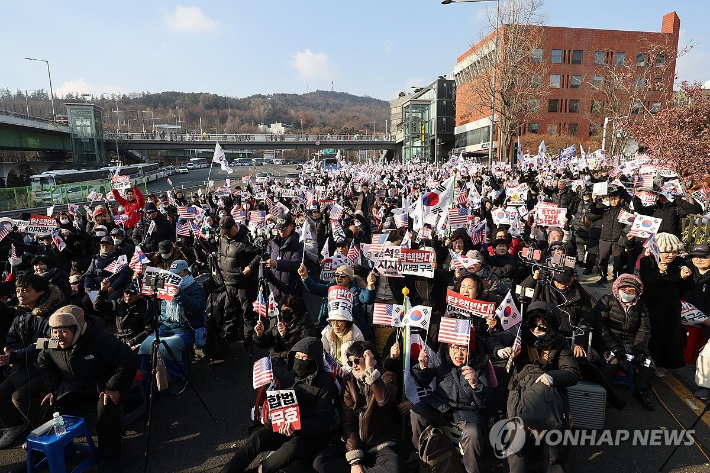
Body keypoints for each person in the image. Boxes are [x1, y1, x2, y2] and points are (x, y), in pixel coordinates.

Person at [37, 305, 138, 471]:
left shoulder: (102, 340)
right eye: (55, 331)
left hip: (103, 387)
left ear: (76, 329)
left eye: (63, 331)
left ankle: (109, 456)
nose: (58, 336)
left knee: (107, 408)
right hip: (74, 386)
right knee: (48, 404)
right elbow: (43, 362)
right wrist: (53, 388)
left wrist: (111, 386)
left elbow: (129, 361)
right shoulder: (52, 341)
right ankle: (44, 451)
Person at [220, 337, 338, 473]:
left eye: (305, 358)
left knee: (292, 447)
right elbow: (279, 404)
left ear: (315, 360)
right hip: (283, 428)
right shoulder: (289, 376)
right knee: (258, 438)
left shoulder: (326, 386)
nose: (300, 362)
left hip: (308, 438)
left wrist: (296, 427)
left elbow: (322, 423)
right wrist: (274, 421)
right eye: (297, 356)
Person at [411, 327, 493, 473]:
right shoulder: (440, 357)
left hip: (467, 414)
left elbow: (486, 401)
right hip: (440, 408)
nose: (458, 353)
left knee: (472, 433)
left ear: (471, 350)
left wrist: (475, 384)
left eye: (463, 349)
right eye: (454, 347)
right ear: (449, 346)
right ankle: (421, 455)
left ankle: (471, 469)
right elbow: (423, 382)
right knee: (417, 410)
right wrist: (422, 368)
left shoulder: (480, 364)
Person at [313, 341, 401, 473]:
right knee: (319, 461)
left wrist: (371, 373)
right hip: (354, 443)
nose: (353, 365)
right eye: (350, 362)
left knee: (396, 467)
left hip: (379, 444)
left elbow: (384, 400)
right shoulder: (348, 382)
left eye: (356, 361)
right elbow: (348, 422)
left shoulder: (386, 376)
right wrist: (355, 461)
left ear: (369, 358)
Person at [0, 274, 65, 448]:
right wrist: (12, 355)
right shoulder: (22, 312)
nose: (20, 294)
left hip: (53, 365)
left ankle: (46, 432)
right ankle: (16, 424)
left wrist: (17, 356)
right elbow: (12, 337)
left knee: (20, 397)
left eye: (26, 290)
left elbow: (51, 342)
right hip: (28, 363)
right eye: (18, 290)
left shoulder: (55, 313)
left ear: (41, 291)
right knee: (1, 391)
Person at [138, 260, 206, 396]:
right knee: (144, 347)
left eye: (177, 274)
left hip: (186, 329)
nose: (174, 277)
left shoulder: (195, 288)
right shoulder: (167, 286)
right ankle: (146, 378)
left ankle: (180, 377)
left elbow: (197, 308)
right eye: (172, 274)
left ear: (185, 272)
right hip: (167, 325)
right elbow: (161, 306)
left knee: (167, 348)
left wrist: (179, 295)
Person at [593, 274, 656, 410]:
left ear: (637, 292)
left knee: (648, 364)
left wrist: (640, 349)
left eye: (631, 290)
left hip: (631, 342)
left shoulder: (641, 306)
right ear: (617, 288)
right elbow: (600, 327)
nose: (627, 293)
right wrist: (613, 348)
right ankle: (605, 394)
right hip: (609, 341)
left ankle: (641, 392)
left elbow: (644, 329)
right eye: (624, 289)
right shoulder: (606, 301)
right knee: (611, 362)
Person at [639, 232, 692, 373]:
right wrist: (660, 273)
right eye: (666, 251)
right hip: (651, 306)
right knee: (652, 336)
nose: (671, 255)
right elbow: (648, 283)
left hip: (672, 306)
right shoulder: (647, 261)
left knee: (669, 337)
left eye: (674, 251)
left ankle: (663, 365)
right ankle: (648, 364)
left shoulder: (680, 262)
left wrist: (684, 277)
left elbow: (684, 287)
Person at [254, 294, 319, 387]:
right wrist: (260, 335)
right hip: (274, 359)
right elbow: (266, 342)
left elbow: (304, 348)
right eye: (282, 311)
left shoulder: (307, 326)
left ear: (296, 312)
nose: (283, 314)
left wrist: (286, 336)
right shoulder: (278, 321)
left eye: (287, 311)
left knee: (284, 384)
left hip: (292, 363)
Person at [299, 263, 376, 340]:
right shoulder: (329, 288)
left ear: (349, 279)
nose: (339, 278)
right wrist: (305, 277)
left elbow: (367, 299)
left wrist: (370, 286)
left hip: (350, 328)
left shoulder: (356, 291)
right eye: (336, 275)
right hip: (331, 326)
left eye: (343, 276)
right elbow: (315, 288)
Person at [216, 216, 262, 344]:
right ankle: (230, 334)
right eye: (224, 233)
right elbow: (220, 254)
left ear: (235, 227)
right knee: (229, 310)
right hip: (228, 282)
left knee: (247, 312)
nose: (226, 235)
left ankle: (249, 337)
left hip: (244, 283)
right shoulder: (223, 238)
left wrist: (250, 267)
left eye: (228, 232)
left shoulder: (247, 238)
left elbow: (260, 253)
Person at [93, 279, 154, 347]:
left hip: (136, 342)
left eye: (132, 294)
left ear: (138, 295)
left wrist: (133, 342)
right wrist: (102, 291)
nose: (128, 296)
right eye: (126, 293)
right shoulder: (118, 303)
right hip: (119, 338)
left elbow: (149, 329)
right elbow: (98, 306)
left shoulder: (146, 306)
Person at [83, 236, 133, 313]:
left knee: (109, 302)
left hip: (114, 287)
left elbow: (124, 275)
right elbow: (89, 274)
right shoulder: (95, 258)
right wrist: (88, 286)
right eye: (103, 245)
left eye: (107, 244)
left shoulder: (120, 258)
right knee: (86, 301)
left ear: (113, 246)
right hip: (98, 287)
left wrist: (113, 287)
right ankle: (97, 317)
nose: (105, 246)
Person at [264, 214, 304, 302]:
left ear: (291, 226)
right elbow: (264, 261)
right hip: (274, 290)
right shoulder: (272, 243)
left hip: (291, 292)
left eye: (284, 228)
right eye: (279, 228)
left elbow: (296, 264)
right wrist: (263, 277)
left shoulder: (298, 243)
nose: (281, 231)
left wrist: (277, 264)